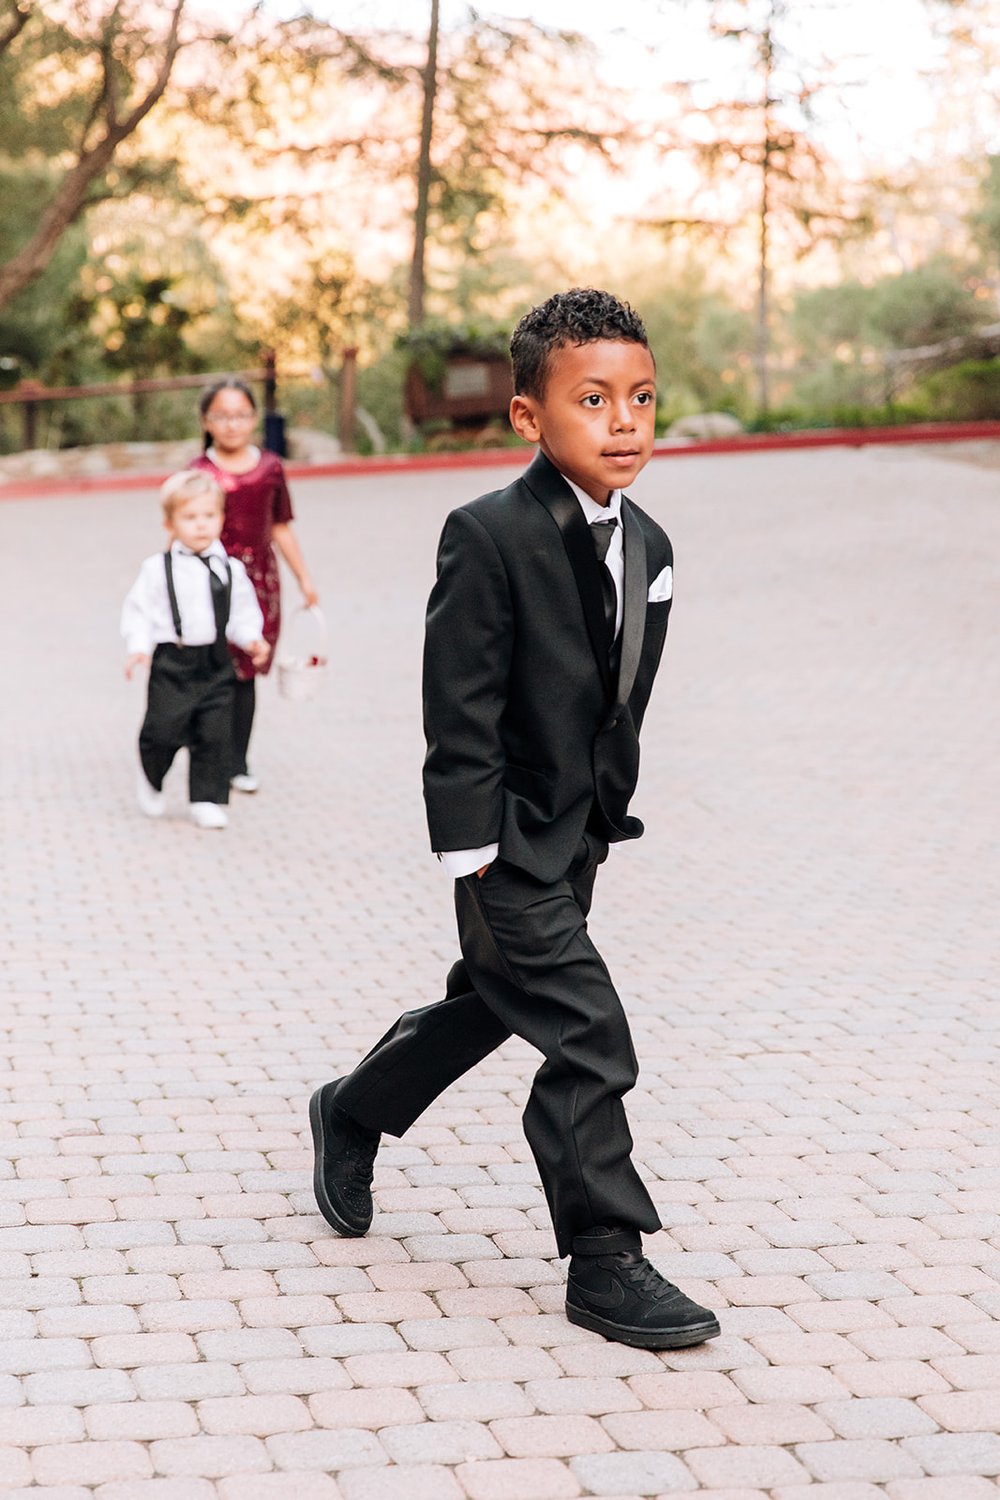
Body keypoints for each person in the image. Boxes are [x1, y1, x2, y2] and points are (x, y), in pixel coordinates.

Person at [309, 288, 720, 1350]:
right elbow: (460, 701)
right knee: (588, 1034)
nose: (624, 422)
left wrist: (603, 809)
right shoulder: (485, 536)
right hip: (501, 845)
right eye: (592, 400)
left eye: (641, 398)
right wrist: (473, 851)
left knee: (493, 1004)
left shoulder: (651, 542)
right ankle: (605, 1258)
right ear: (530, 417)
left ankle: (352, 1108)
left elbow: (622, 689)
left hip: (577, 834)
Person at [122, 469, 270, 830]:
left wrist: (251, 637)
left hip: (216, 661)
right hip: (173, 661)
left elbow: (242, 612)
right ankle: (152, 776)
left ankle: (206, 797)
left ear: (221, 518)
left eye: (209, 516)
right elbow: (138, 611)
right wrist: (138, 648)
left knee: (214, 732)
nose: (201, 525)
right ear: (170, 524)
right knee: (162, 730)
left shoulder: (230, 570)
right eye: (190, 518)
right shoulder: (157, 569)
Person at [191, 378, 318, 794]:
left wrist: (304, 579)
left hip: (259, 584)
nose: (232, 424)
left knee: (245, 672)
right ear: (207, 421)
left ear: (254, 418)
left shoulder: (270, 468)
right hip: (208, 583)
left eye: (241, 415)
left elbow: (280, 526)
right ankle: (207, 754)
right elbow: (181, 529)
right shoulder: (198, 473)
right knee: (211, 668)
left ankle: (237, 761)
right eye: (222, 416)